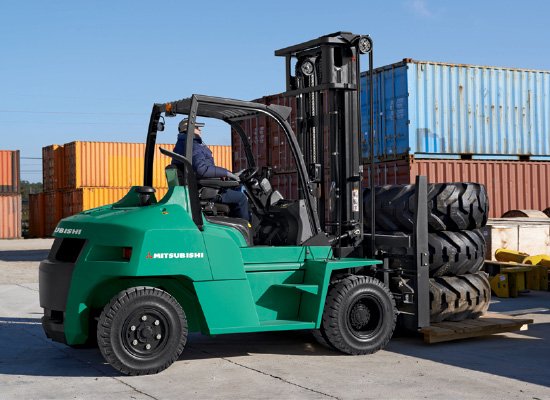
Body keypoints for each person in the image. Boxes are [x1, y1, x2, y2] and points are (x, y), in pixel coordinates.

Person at [172, 119, 250, 220]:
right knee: (241, 198)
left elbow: (199, 170)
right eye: (197, 127)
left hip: (200, 188)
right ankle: (246, 231)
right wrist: (226, 173)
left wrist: (222, 174)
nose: (200, 130)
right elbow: (202, 170)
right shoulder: (193, 146)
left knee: (235, 190)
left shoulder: (182, 145)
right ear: (189, 129)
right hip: (206, 191)